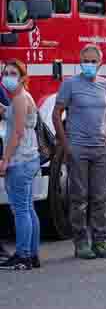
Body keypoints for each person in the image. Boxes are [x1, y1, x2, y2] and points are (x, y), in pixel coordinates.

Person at [53, 44, 106, 260]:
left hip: (99, 148)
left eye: (94, 61)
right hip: (78, 148)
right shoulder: (70, 85)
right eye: (86, 60)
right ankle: (81, 243)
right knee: (79, 198)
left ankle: (100, 242)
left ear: (100, 63)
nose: (89, 64)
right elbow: (56, 114)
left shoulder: (105, 85)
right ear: (80, 62)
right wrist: (66, 144)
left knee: (100, 197)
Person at [0, 60, 41, 271]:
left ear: (22, 77)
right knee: (28, 209)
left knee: (21, 210)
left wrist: (5, 160)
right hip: (29, 159)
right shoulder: (21, 98)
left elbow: (16, 133)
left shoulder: (19, 100)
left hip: (19, 160)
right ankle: (32, 254)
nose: (8, 76)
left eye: (13, 73)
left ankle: (23, 254)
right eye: (5, 72)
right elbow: (11, 115)